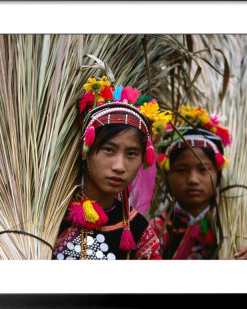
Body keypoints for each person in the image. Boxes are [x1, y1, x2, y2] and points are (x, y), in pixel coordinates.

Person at [52, 77, 168, 260]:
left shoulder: (139, 230)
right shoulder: (50, 215)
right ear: (86, 149)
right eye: (108, 150)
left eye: (131, 154)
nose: (120, 167)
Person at [151, 105, 247, 260]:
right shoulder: (153, 231)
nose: (193, 179)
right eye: (182, 170)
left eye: (203, 169)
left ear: (217, 173)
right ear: (167, 174)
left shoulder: (241, 227)